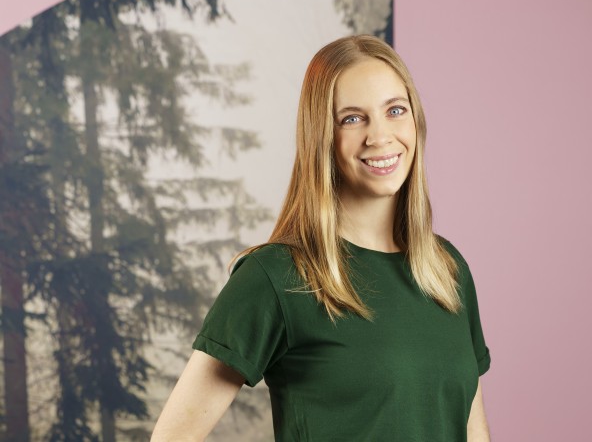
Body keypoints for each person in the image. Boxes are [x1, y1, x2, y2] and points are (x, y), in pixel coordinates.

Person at [151, 35, 492, 441]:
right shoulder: (276, 275)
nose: (380, 136)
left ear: (415, 121)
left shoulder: (447, 270)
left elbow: (474, 433)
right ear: (321, 137)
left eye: (395, 110)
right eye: (352, 118)